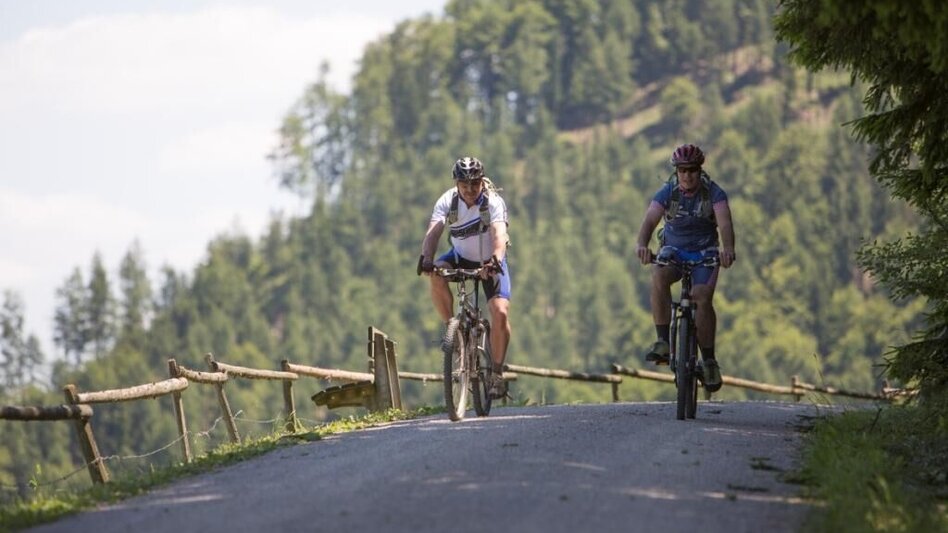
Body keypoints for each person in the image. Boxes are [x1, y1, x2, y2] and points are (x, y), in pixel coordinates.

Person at [634, 144, 735, 392]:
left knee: (701, 297)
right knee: (658, 275)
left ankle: (709, 361)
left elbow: (725, 225)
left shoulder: (714, 193)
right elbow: (649, 220)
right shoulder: (668, 192)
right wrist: (641, 245)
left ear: (700, 171)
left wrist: (728, 249)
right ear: (676, 172)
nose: (687, 176)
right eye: (682, 171)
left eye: (692, 170)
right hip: (674, 251)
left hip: (705, 254)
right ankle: (663, 343)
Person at [417, 156, 511, 399]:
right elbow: (434, 231)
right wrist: (426, 257)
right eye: (464, 184)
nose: (470, 190)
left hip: (490, 261)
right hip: (460, 256)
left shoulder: (492, 202)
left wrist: (496, 260)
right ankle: (454, 331)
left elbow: (499, 234)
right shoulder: (448, 201)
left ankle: (498, 374)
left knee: (499, 313)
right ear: (456, 184)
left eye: (475, 184)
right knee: (436, 273)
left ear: (482, 181)